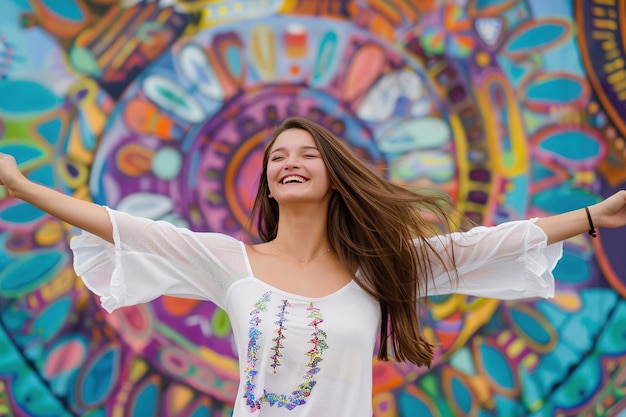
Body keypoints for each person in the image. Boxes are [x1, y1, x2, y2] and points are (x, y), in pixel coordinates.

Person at [1, 116, 625, 416]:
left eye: (307, 155)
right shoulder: (231, 263)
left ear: (334, 176)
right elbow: (123, 227)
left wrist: (598, 215)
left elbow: (487, 246)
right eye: (277, 157)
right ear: (268, 181)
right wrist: (22, 187)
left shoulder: (382, 269)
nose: (288, 162)